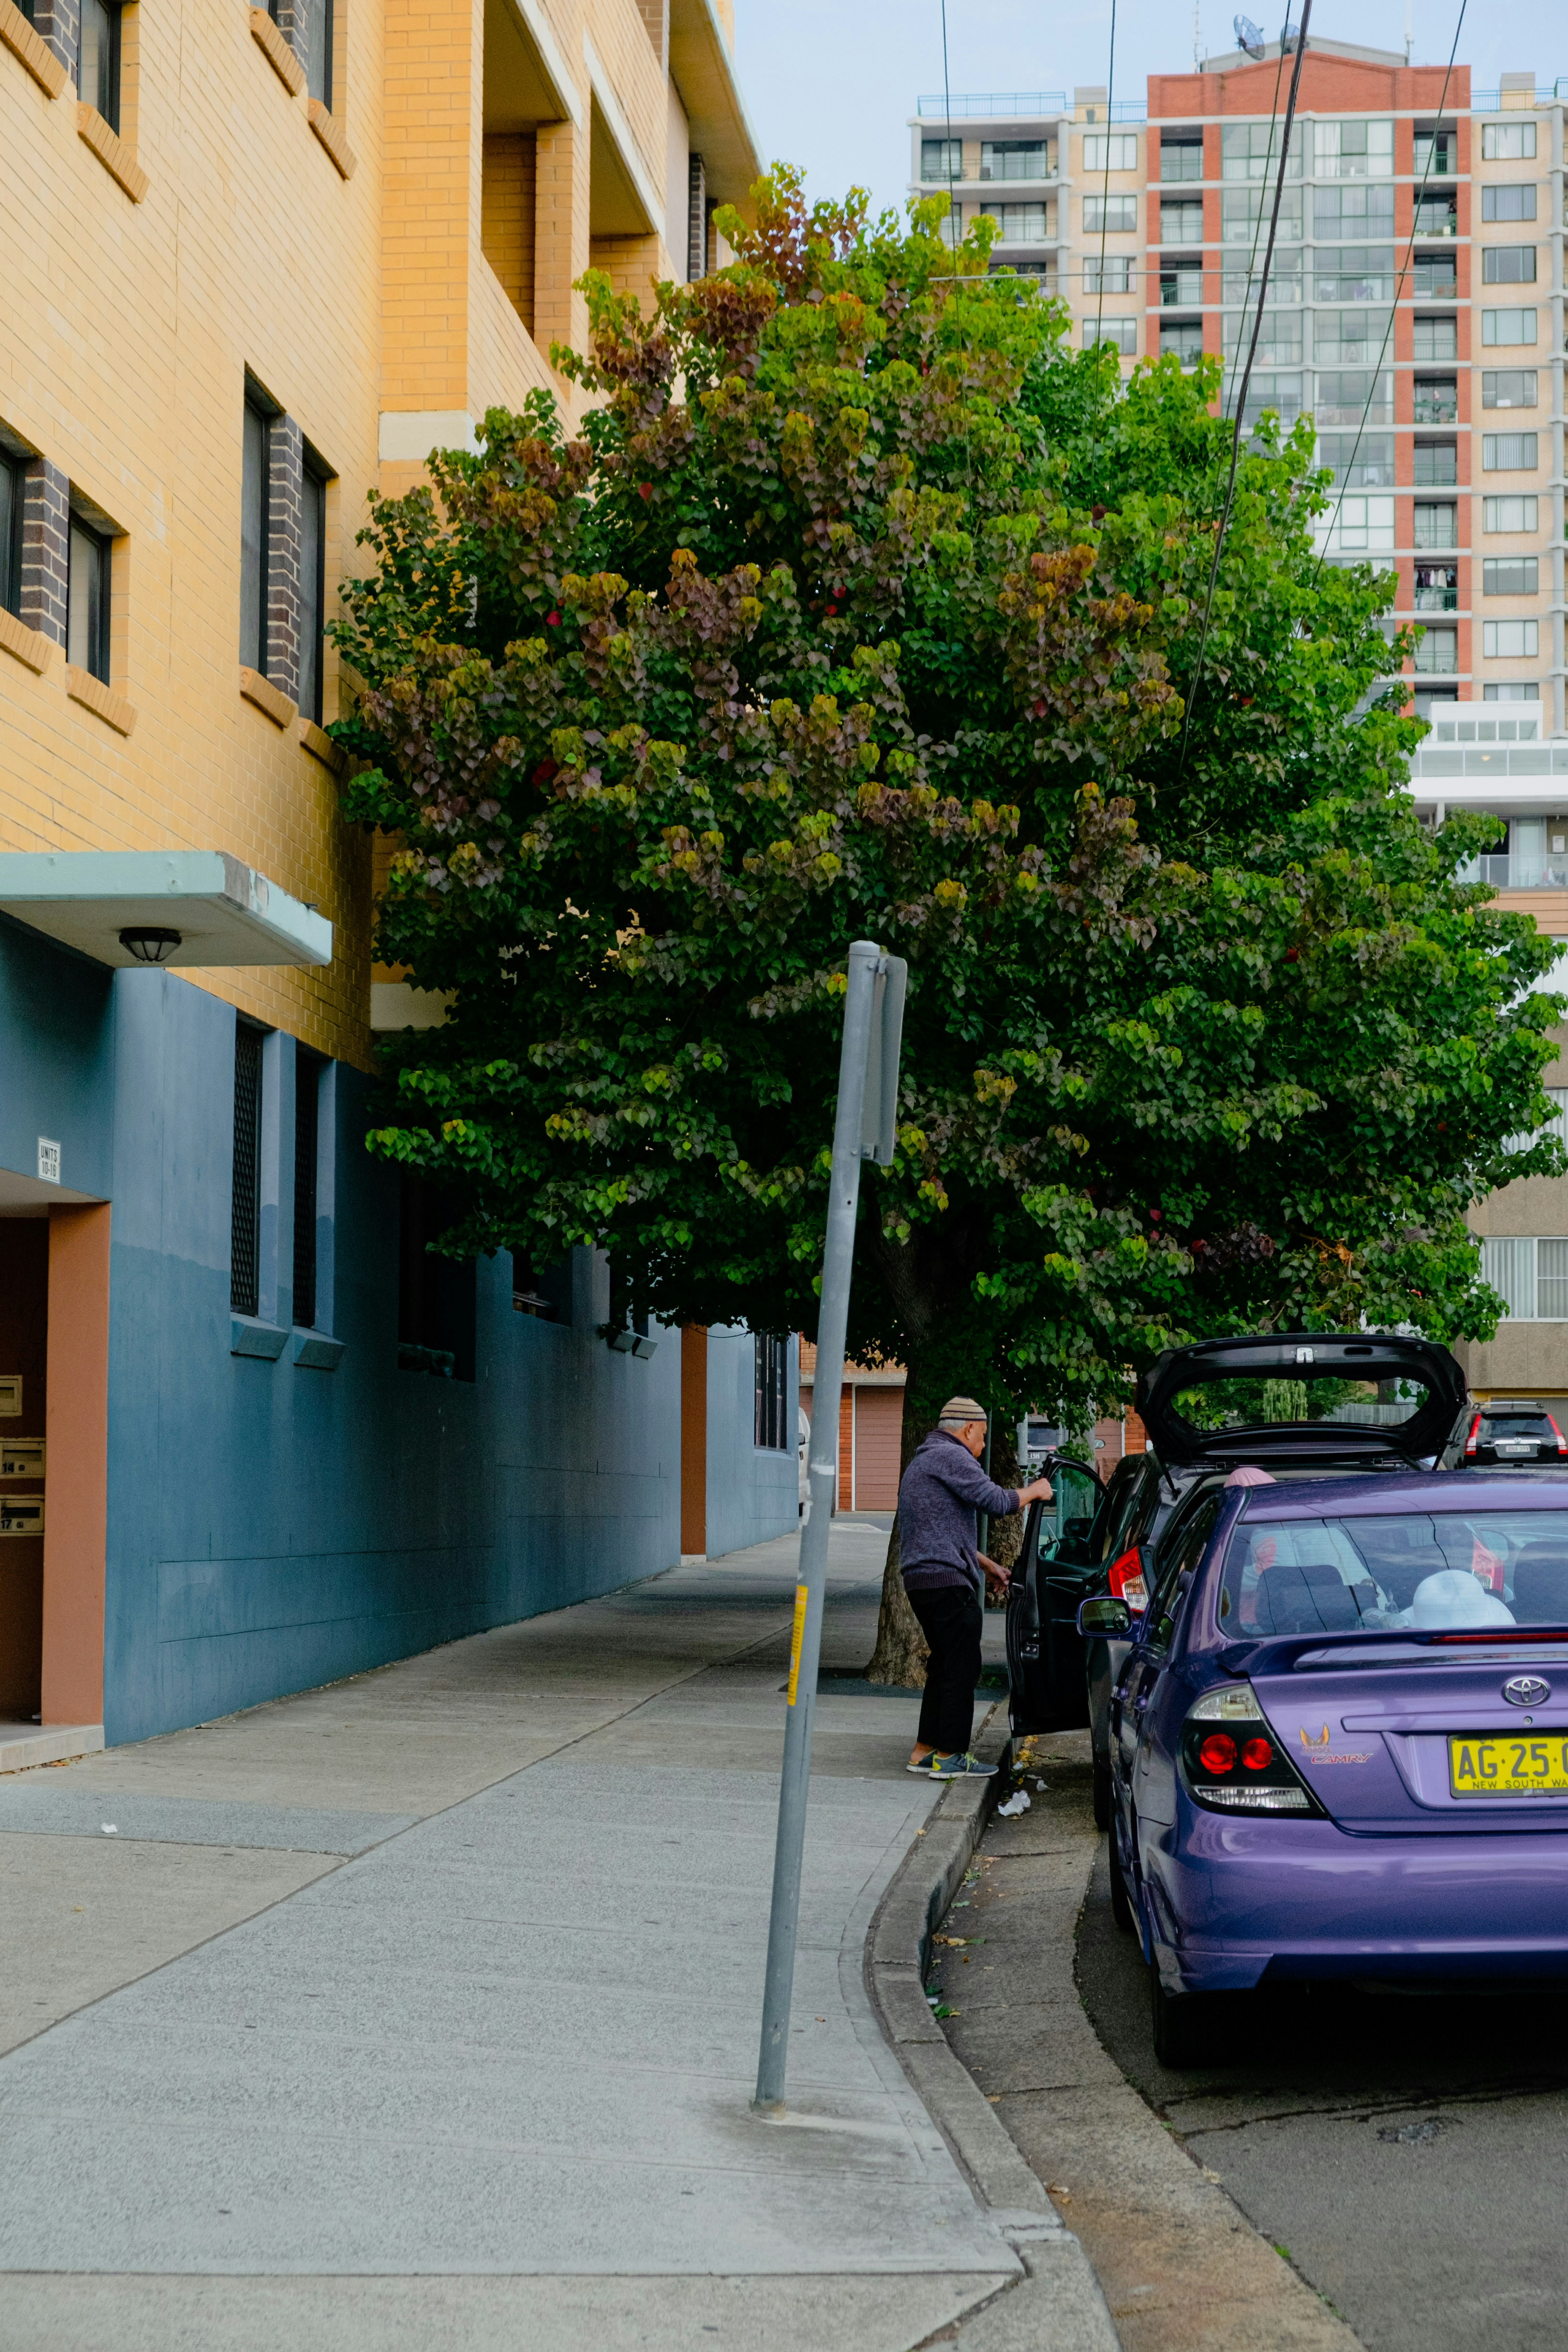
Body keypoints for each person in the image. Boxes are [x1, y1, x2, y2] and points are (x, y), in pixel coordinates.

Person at [898, 1396, 1054, 1779]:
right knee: (962, 1666)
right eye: (983, 1438)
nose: (983, 1448)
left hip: (924, 1581)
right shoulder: (952, 1457)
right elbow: (996, 1501)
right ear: (968, 1430)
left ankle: (925, 1750)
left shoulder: (926, 1460)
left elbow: (943, 1533)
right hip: (947, 1583)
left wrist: (988, 1566)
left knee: (945, 1664)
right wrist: (1036, 1491)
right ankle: (951, 1755)